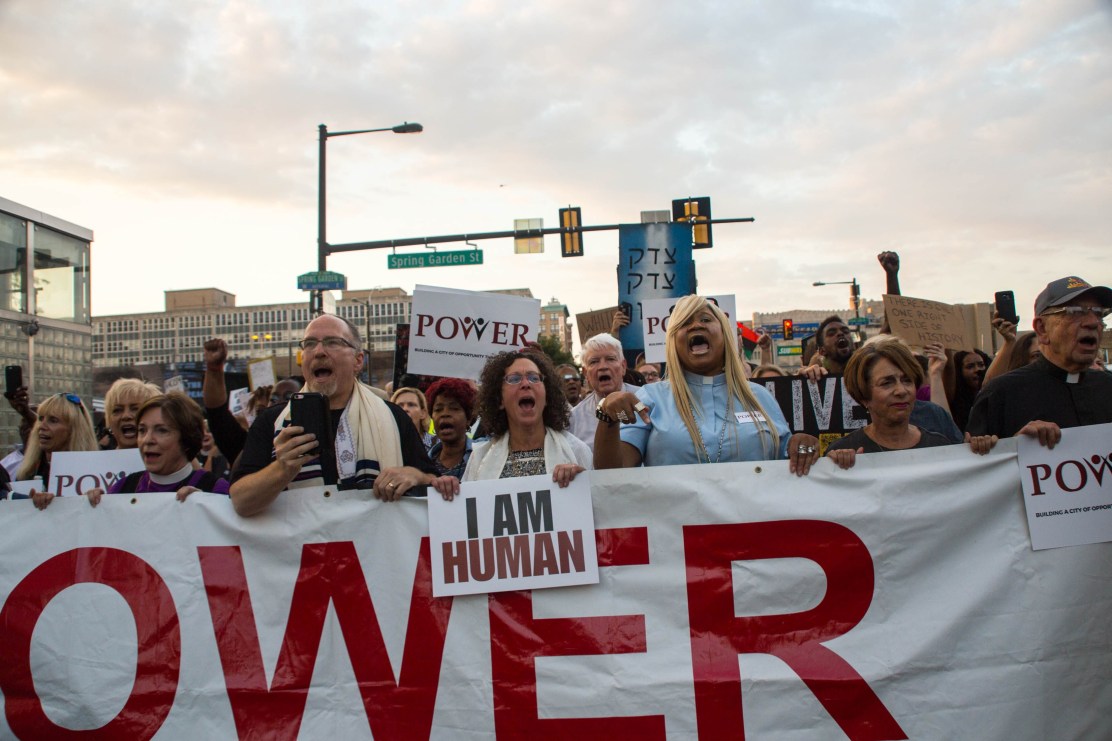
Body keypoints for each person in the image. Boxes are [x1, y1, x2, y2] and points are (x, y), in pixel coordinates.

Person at [230, 314, 440, 516]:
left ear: (358, 360)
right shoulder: (272, 421)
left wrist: (415, 475)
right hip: (302, 550)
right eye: (310, 344)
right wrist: (281, 468)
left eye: (332, 342)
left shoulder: (393, 416)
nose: (319, 351)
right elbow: (241, 502)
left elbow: (433, 482)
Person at [594, 295, 820, 474]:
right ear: (673, 342)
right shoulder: (651, 398)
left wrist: (800, 445)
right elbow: (613, 473)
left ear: (724, 335)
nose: (695, 326)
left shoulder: (759, 396)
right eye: (684, 323)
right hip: (676, 529)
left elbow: (787, 459)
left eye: (705, 319)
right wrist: (607, 416)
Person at [966, 276, 1112, 447]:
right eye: (1075, 311)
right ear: (1042, 328)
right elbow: (980, 467)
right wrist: (1016, 447)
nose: (1093, 322)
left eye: (1099, 313)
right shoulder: (1001, 394)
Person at [33, 393, 230, 510]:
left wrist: (209, 506)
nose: (147, 440)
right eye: (142, 430)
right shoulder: (123, 487)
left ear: (187, 438)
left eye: (162, 430)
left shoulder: (216, 489)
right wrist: (63, 509)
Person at [825, 339, 997, 469]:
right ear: (864, 396)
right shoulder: (844, 452)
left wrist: (981, 453)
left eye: (907, 380)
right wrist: (835, 469)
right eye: (887, 383)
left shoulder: (940, 445)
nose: (901, 391)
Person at [455, 350, 591, 487]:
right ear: (500, 400)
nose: (526, 384)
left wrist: (582, 483)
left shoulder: (575, 451)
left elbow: (597, 502)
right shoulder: (479, 459)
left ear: (547, 397)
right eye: (514, 379)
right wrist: (448, 491)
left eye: (534, 378)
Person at [569, 333, 640, 450]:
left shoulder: (648, 400)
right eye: (594, 362)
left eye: (610, 359)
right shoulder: (574, 419)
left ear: (623, 367)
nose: (602, 366)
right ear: (586, 373)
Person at [20, 393, 98, 494]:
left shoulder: (94, 476)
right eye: (41, 418)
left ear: (73, 430)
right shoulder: (28, 472)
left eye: (53, 420)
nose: (41, 426)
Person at [425, 378, 476, 479]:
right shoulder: (424, 465)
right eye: (438, 409)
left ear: (469, 418)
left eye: (454, 408)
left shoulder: (483, 456)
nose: (445, 414)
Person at [103, 378, 162, 449]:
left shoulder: (171, 459)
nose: (126, 416)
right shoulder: (97, 460)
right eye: (117, 410)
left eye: (135, 409)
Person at [947, 349, 990, 432]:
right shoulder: (954, 397)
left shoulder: (992, 394)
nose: (977, 370)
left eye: (981, 365)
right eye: (970, 366)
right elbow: (949, 368)